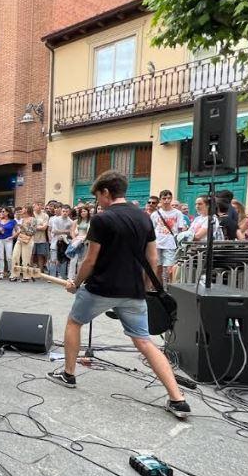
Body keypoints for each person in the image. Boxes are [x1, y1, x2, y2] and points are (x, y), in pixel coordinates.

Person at [47, 171, 190, 419]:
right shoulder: (145, 218)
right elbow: (152, 258)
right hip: (133, 291)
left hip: (100, 288)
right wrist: (144, 288)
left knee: (74, 322)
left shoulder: (102, 220)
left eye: (98, 197)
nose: (97, 202)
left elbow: (90, 260)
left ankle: (68, 374)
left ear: (105, 192)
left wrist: (76, 283)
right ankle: (177, 399)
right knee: (145, 342)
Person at [151, 190, 187, 284]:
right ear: (160, 200)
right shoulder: (155, 214)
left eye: (169, 198)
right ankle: (158, 288)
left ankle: (171, 289)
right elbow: (152, 229)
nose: (166, 200)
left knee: (169, 269)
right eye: (164, 198)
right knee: (158, 268)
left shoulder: (177, 213)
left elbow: (181, 229)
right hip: (158, 243)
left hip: (170, 243)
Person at [10, 206, 35, 282]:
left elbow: (32, 231)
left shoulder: (33, 219)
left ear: (27, 210)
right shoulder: (22, 219)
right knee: (15, 256)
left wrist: (23, 226)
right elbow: (20, 231)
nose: (21, 210)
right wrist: (14, 235)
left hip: (28, 240)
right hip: (20, 239)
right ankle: (14, 275)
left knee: (25, 258)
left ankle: (26, 277)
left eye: (23, 208)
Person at [48, 205, 73, 279]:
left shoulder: (70, 222)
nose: (65, 213)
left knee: (63, 260)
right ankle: (52, 277)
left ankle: (61, 276)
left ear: (69, 212)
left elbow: (71, 232)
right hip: (55, 241)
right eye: (63, 211)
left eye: (66, 211)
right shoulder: (56, 219)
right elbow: (54, 231)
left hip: (65, 242)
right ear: (61, 211)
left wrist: (62, 232)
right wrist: (66, 231)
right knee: (53, 259)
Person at [67, 206, 91, 281]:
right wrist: (74, 238)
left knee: (82, 260)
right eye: (81, 211)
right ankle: (70, 277)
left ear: (88, 212)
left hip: (85, 242)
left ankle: (79, 277)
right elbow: (72, 231)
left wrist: (84, 239)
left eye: (84, 211)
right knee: (73, 259)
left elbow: (89, 232)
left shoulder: (90, 221)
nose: (83, 213)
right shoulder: (76, 221)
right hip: (76, 241)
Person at [0, 209, 16, 279]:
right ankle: (1, 272)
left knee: (9, 257)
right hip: (0, 239)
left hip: (8, 239)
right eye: (1, 211)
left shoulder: (13, 221)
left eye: (3, 211)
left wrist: (12, 237)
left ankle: (10, 271)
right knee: (0, 256)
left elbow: (18, 230)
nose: (2, 213)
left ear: (8, 212)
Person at [31, 203, 50, 274]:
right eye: (33, 206)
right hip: (32, 238)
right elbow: (30, 227)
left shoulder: (45, 215)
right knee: (31, 255)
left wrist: (35, 227)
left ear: (40, 206)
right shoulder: (31, 215)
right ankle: (31, 272)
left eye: (35, 206)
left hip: (42, 239)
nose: (34, 207)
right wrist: (40, 226)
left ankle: (40, 272)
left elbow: (44, 228)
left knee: (40, 255)